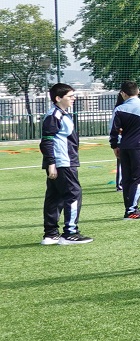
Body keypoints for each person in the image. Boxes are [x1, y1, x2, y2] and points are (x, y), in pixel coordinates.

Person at [40, 83, 91, 246]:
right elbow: (46, 141)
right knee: (73, 194)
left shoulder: (61, 114)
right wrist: (51, 163)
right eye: (70, 96)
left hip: (63, 162)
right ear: (58, 98)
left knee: (55, 197)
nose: (73, 98)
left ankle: (51, 235)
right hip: (63, 162)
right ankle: (70, 233)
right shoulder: (54, 115)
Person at [109, 80, 140, 219]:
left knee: (127, 179)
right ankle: (132, 210)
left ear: (123, 93)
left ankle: (130, 208)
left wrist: (114, 146)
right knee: (139, 178)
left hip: (125, 146)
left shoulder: (119, 109)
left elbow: (113, 130)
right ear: (138, 91)